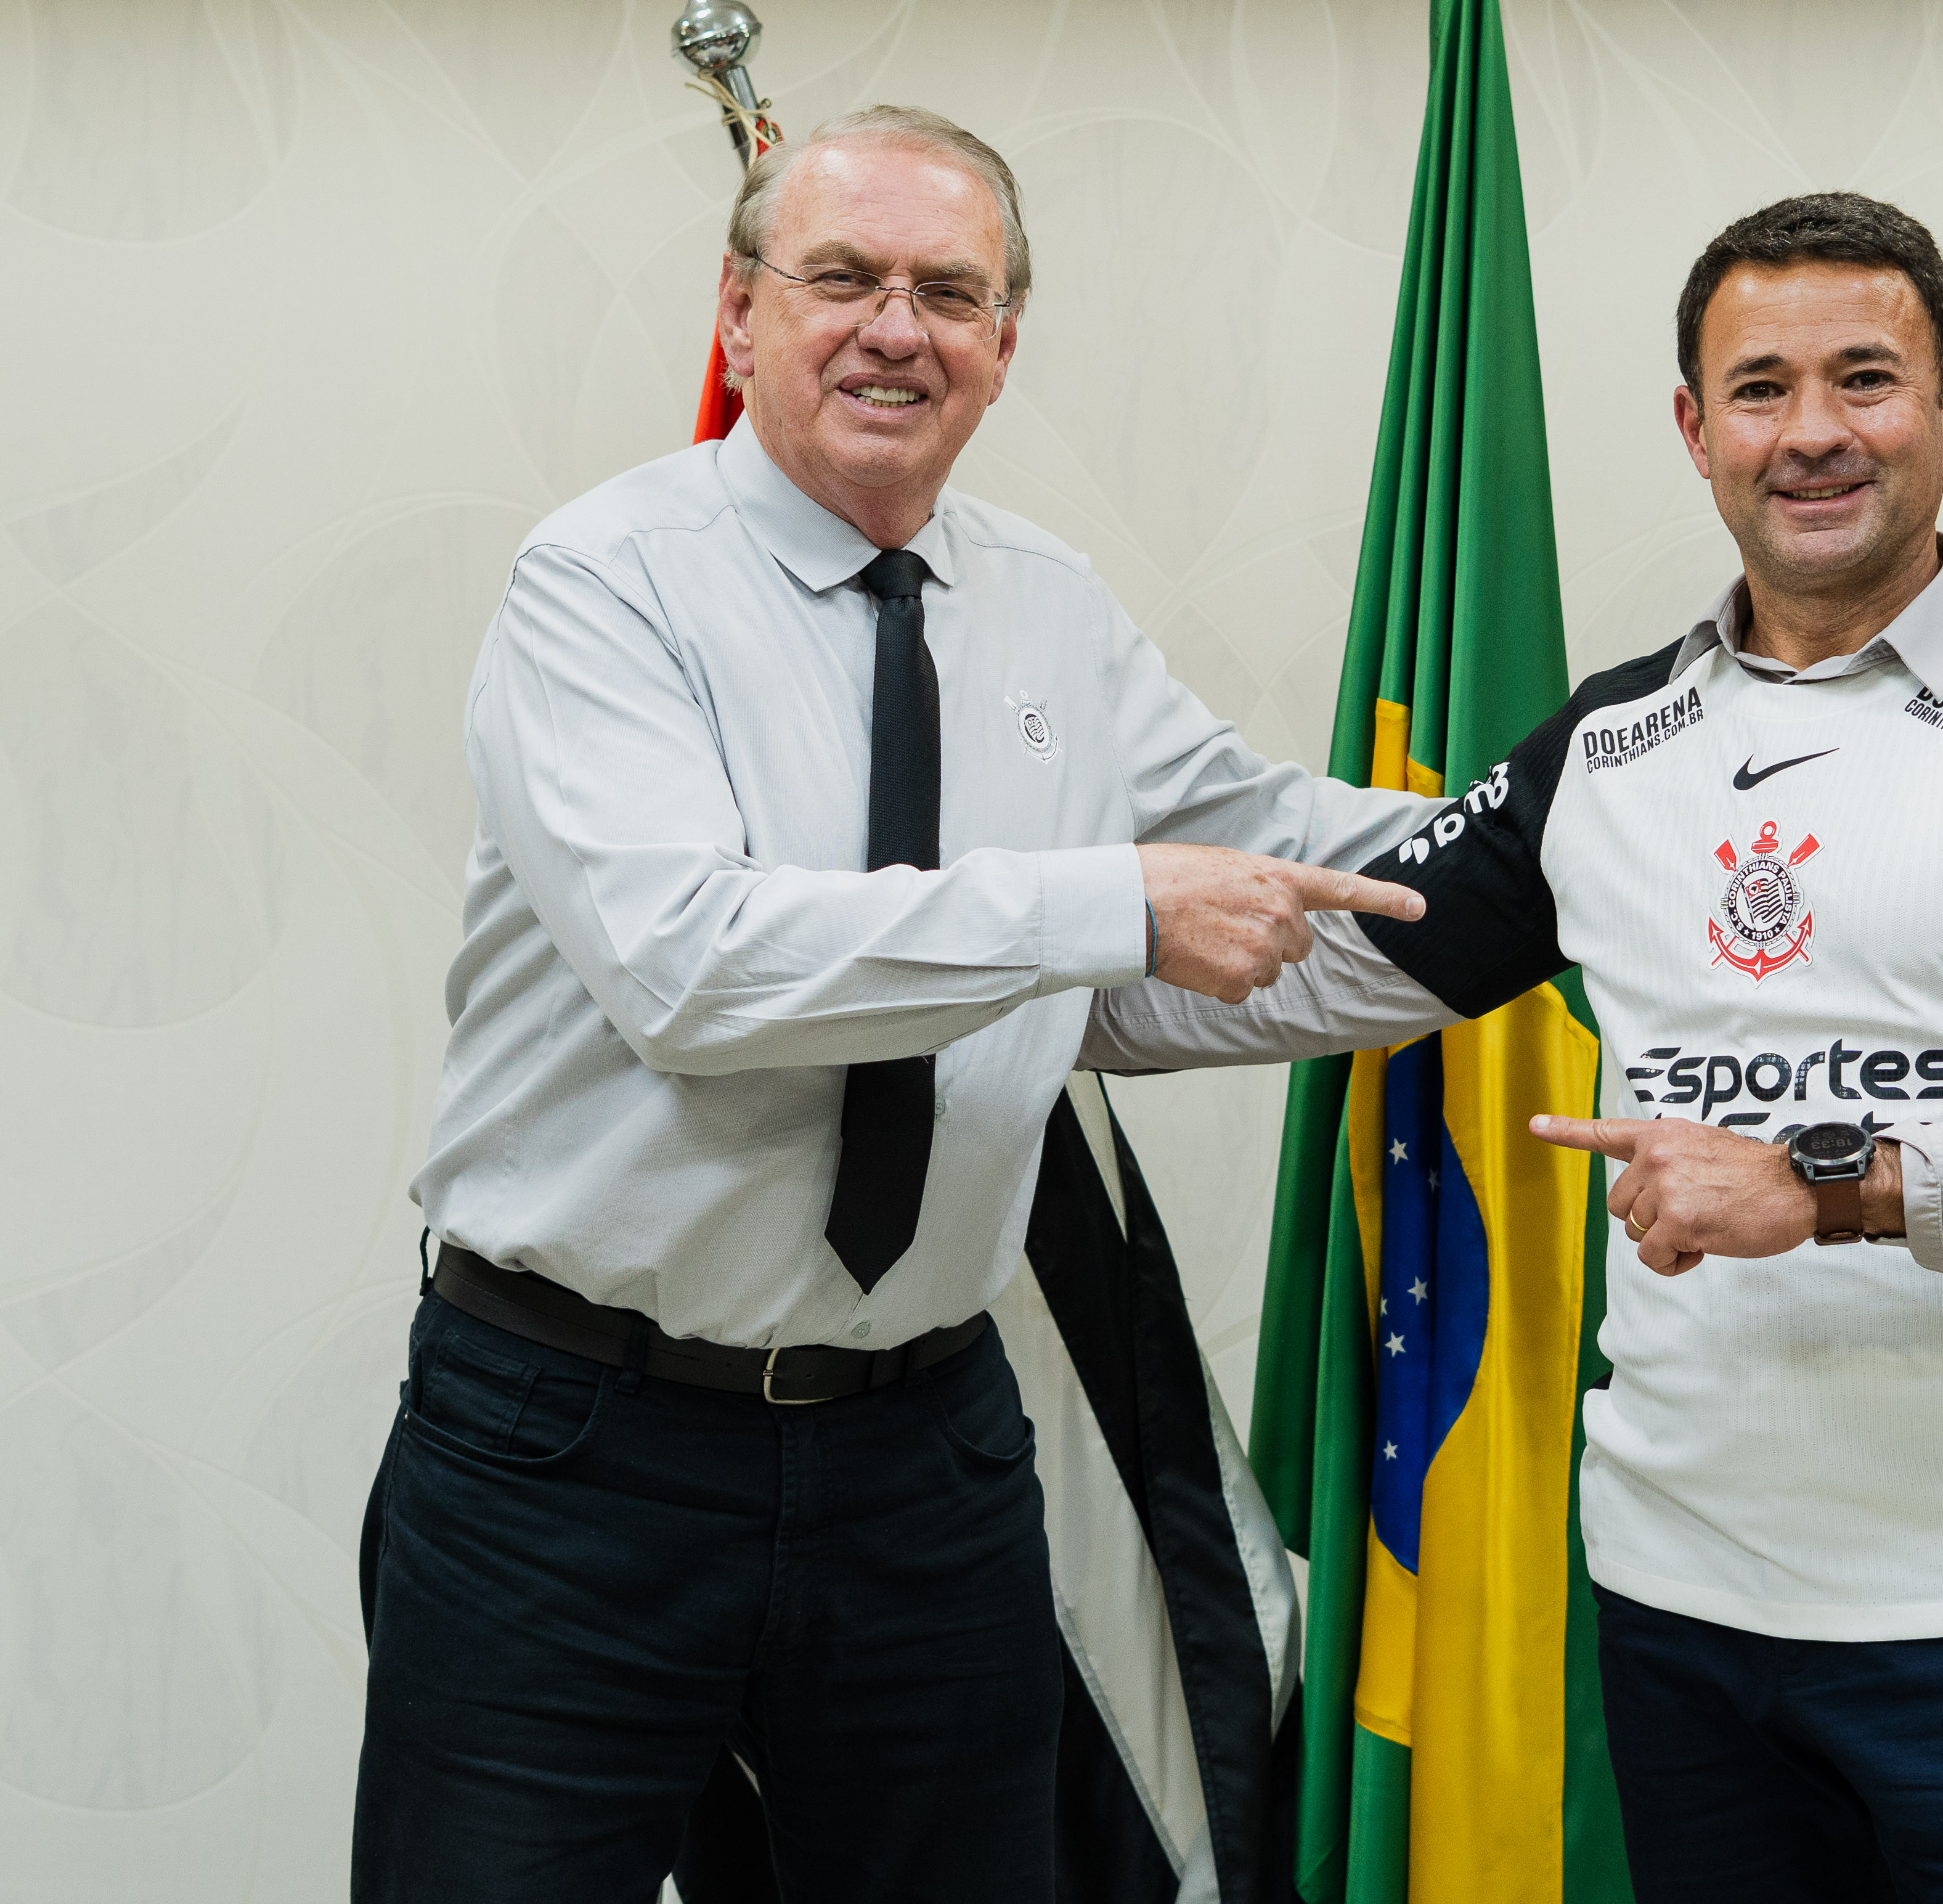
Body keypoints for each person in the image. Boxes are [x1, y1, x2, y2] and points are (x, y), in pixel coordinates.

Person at [1084, 192, 1943, 1902]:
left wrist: (1828, 1185)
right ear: (1692, 427)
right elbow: (1312, 970)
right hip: (1681, 1613)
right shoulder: (1611, 743)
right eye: (1760, 387)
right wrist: (981, 977)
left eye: (1863, 379)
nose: (1812, 434)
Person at [359, 105, 1430, 1902]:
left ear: (1004, 345)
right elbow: (692, 968)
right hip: (572, 1449)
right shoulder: (602, 586)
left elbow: (1298, 860)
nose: (894, 326)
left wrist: (1598, 829)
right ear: (737, 310)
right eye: (841, 276)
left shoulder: (1052, 613)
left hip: (920, 1447)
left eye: (951, 291)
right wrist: (1106, 902)